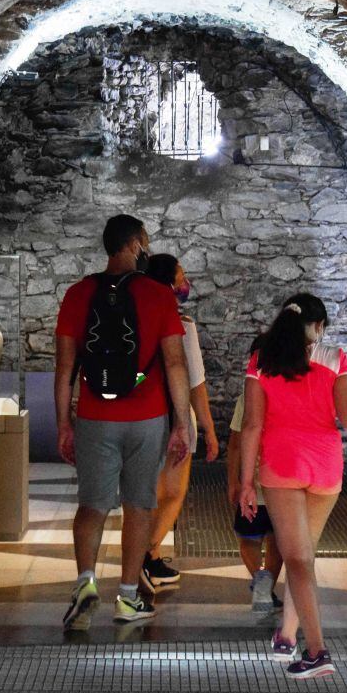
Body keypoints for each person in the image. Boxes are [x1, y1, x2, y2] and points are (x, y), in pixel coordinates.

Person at [238, 293, 347, 679]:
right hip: (325, 466)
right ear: (318, 327)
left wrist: (246, 483)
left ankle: (316, 651)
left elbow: (251, 426)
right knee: (304, 557)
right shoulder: (335, 358)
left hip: (282, 466)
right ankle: (287, 635)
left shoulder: (262, 360)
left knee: (297, 559)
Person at [55, 214, 192, 630]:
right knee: (139, 507)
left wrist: (64, 424)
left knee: (92, 505)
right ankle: (128, 597)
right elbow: (174, 363)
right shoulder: (157, 295)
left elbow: (64, 369)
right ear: (135, 244)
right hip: (146, 417)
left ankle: (84, 584)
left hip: (95, 417)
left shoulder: (78, 294)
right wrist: (181, 424)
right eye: (144, 241)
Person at [140, 254, 218, 592]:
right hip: (175, 419)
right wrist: (209, 429)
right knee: (173, 493)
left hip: (142, 416)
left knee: (148, 493)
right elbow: (195, 382)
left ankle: (148, 558)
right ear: (171, 283)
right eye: (181, 276)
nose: (185, 284)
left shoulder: (138, 318)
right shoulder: (181, 324)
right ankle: (147, 556)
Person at [227, 336, 284, 614]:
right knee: (277, 539)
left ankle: (260, 580)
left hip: (254, 480)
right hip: (282, 481)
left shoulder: (245, 399)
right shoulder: (289, 394)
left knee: (248, 537)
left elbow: (236, 444)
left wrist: (235, 481)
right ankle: (267, 589)